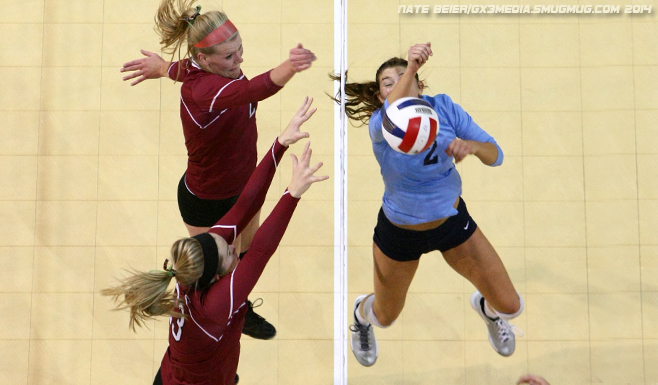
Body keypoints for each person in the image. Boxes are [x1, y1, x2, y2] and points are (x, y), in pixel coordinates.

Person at [119, 0, 317, 340]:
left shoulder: (211, 70)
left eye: (240, 50)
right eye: (229, 56)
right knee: (210, 275)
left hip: (243, 187)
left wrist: (165, 67)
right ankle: (202, 331)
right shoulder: (206, 89)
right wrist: (290, 66)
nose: (239, 60)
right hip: (207, 200)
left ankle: (239, 308)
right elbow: (255, 89)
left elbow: (189, 69)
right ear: (204, 58)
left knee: (243, 256)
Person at [102, 98, 328, 385]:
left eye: (224, 243)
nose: (233, 246)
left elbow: (246, 202)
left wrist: (281, 142)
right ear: (218, 276)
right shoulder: (212, 302)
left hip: (185, 373)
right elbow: (259, 251)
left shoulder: (200, 259)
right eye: (229, 254)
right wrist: (291, 194)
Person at [331, 43, 524, 366]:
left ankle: (487, 310)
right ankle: (360, 315)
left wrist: (473, 147)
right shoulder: (383, 126)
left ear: (422, 86)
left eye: (404, 78)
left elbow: (496, 155)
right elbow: (397, 105)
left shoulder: (444, 108)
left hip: (452, 224)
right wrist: (410, 66)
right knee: (385, 315)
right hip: (400, 233)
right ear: (381, 98)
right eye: (387, 83)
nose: (397, 84)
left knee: (510, 305)